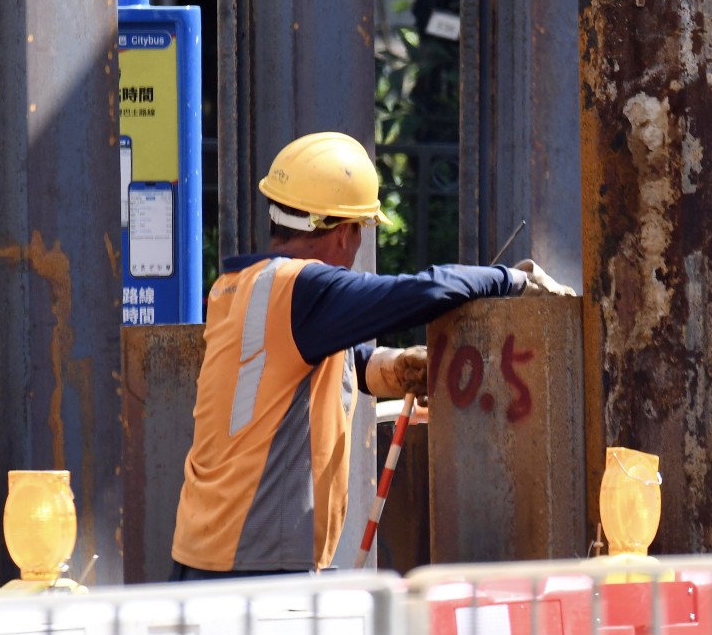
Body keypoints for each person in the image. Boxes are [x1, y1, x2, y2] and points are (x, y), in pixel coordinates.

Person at [169, 131, 575, 580]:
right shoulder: (304, 290)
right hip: (256, 565)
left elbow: (349, 365)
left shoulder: (239, 286)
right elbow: (427, 289)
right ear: (343, 233)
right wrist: (511, 281)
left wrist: (401, 368)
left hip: (206, 550)